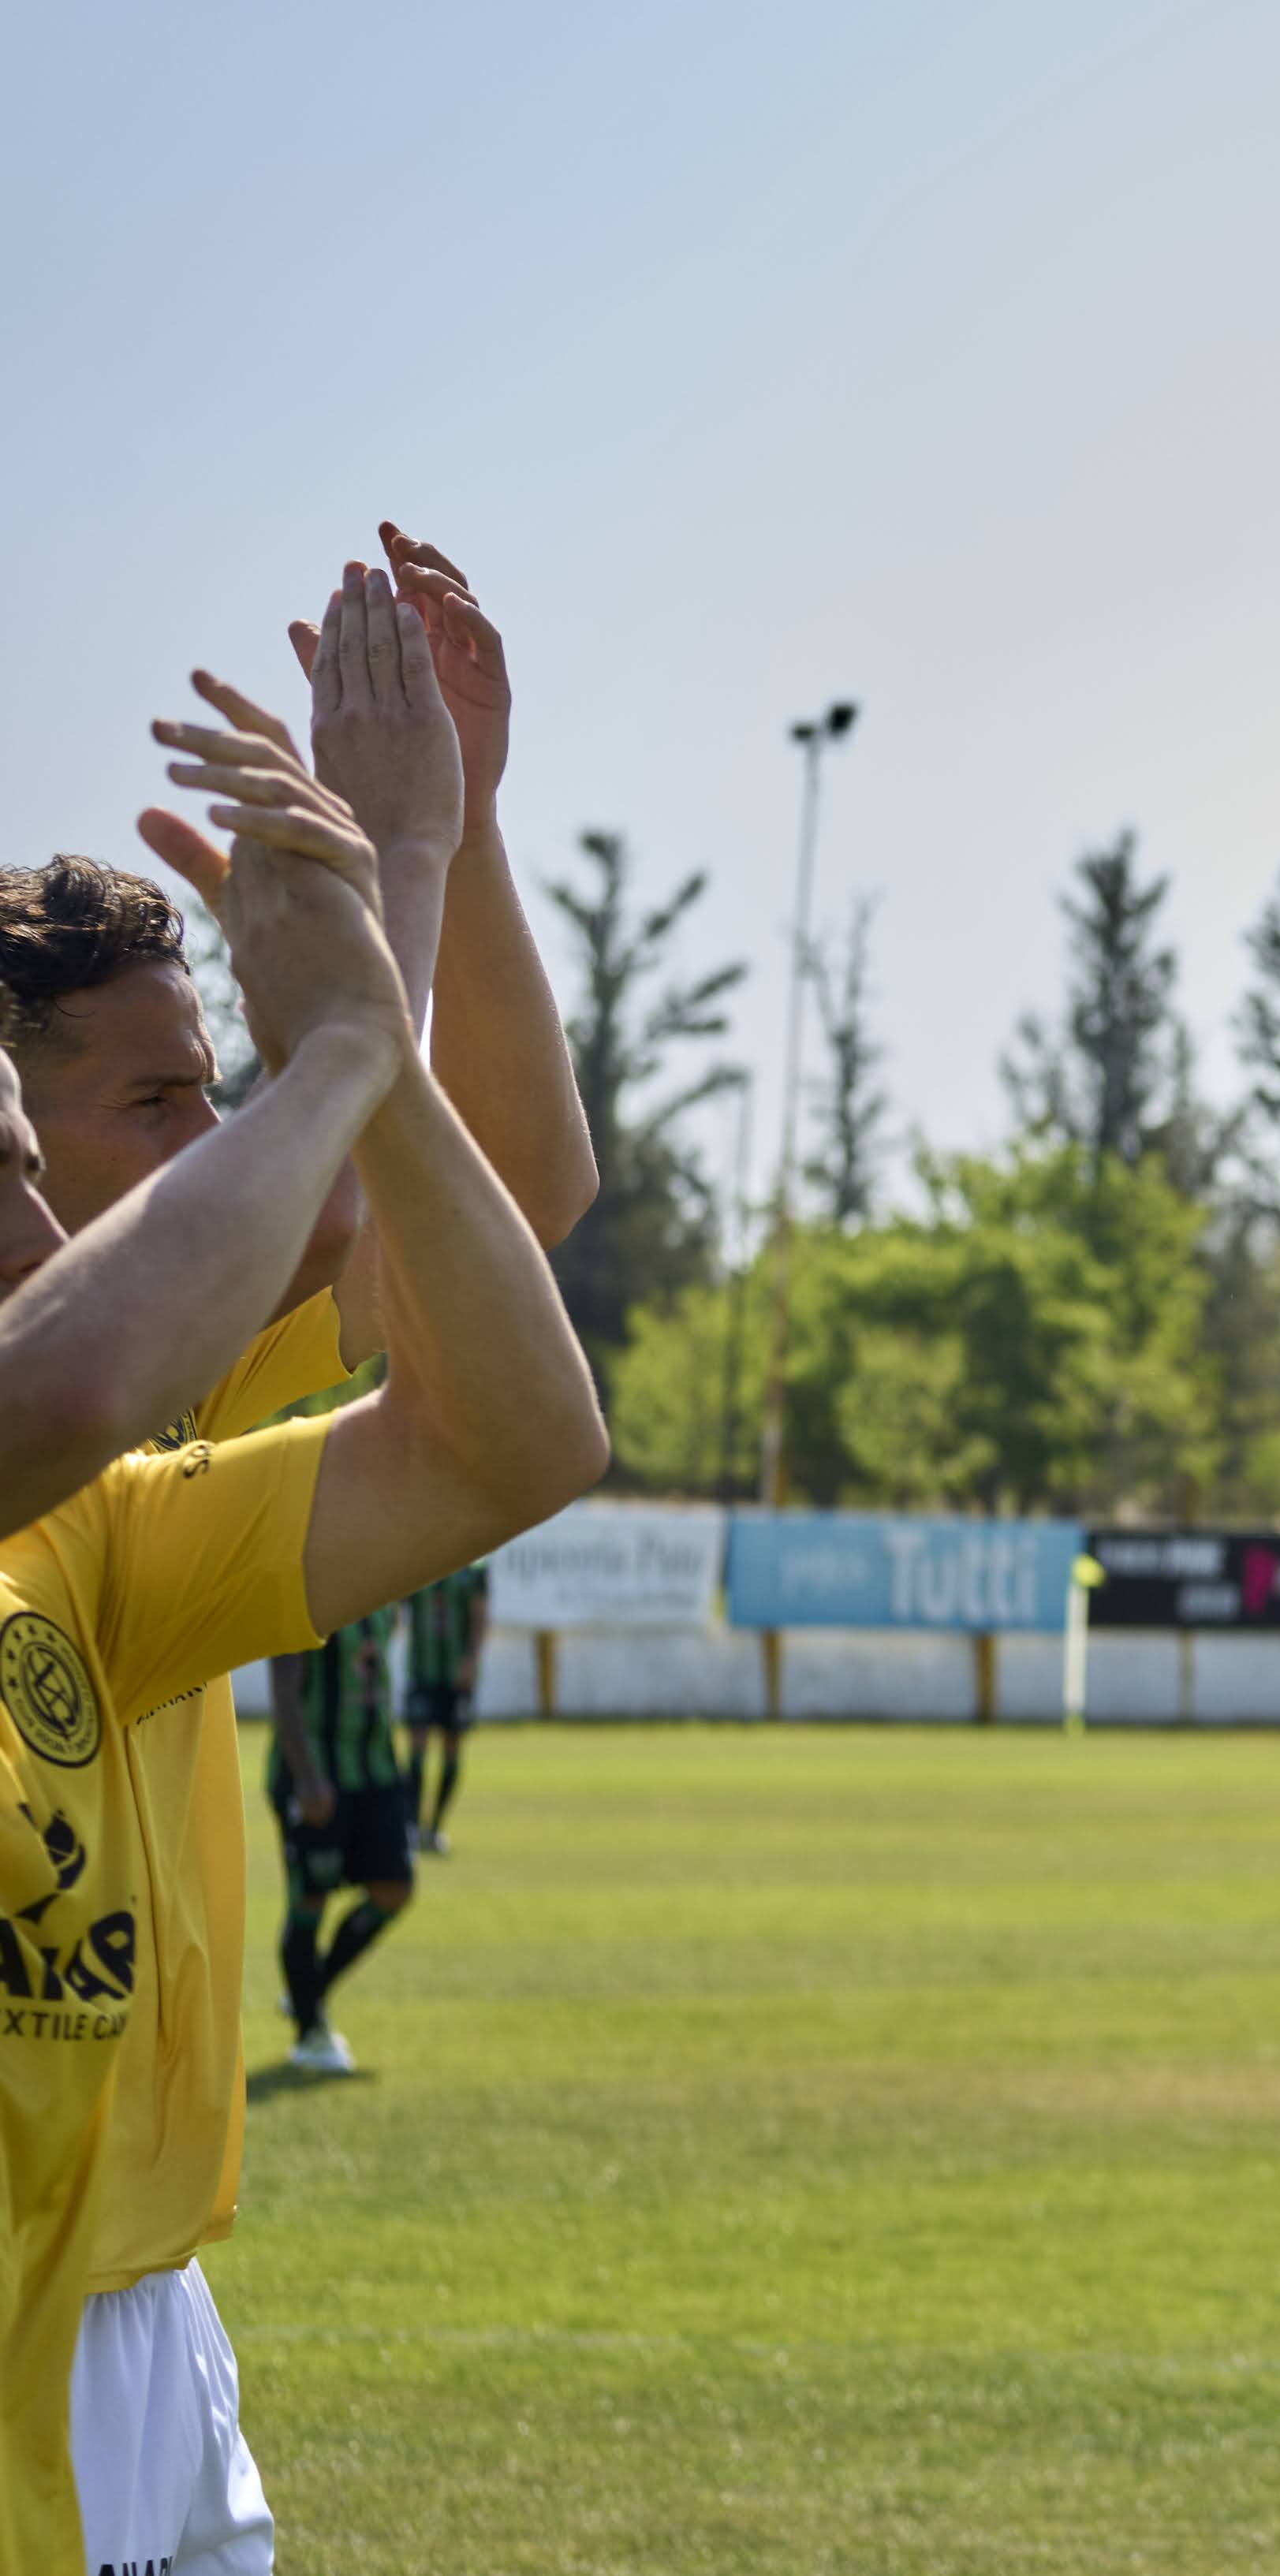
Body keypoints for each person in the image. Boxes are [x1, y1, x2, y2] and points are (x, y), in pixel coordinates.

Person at [8, 541, 595, 2576]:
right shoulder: (88, 1400)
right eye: (153, 1099)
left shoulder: (126, 1469)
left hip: (146, 2291)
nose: (208, 1143)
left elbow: (493, 1200)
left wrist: (454, 841)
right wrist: (385, 910)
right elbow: (350, 1192)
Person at [266, 1603, 408, 2073]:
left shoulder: (390, 1589)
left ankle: (310, 1992)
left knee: (394, 1889)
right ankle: (310, 2034)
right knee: (310, 1899)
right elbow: (284, 1688)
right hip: (318, 1774)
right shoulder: (313, 1588)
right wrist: (306, 1777)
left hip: (376, 1769)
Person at [401, 1558, 490, 1854]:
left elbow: (480, 1615)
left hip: (456, 1677)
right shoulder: (417, 1560)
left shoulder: (474, 1567)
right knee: (416, 1749)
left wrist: (471, 1660)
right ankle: (411, 1827)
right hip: (421, 1672)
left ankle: (435, 1827)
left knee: (451, 1750)